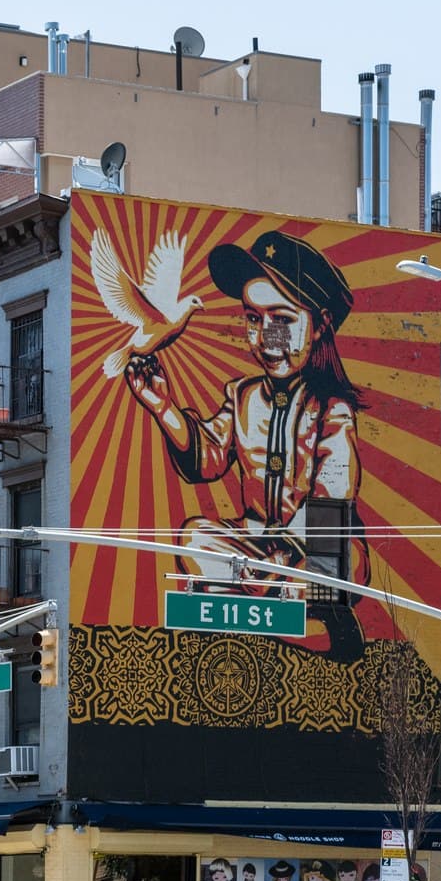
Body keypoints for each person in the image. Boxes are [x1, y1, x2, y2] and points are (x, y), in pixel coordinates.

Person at [124, 228, 368, 607]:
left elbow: (332, 497)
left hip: (314, 547)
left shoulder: (333, 409)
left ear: (320, 325)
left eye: (283, 321)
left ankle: (285, 600)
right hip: (254, 546)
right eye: (254, 319)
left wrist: (282, 558)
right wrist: (164, 408)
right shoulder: (242, 395)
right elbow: (207, 459)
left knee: (329, 566)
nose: (265, 338)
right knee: (193, 537)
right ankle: (267, 596)